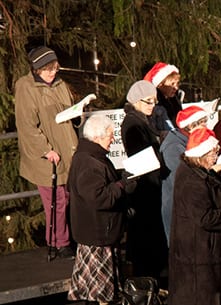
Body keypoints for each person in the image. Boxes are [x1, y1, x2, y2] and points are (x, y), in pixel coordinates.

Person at [14, 46, 78, 259]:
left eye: (54, 68)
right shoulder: (26, 87)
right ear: (36, 69)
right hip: (47, 155)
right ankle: (59, 242)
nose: (52, 73)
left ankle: (68, 236)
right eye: (47, 69)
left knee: (68, 197)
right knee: (56, 201)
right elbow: (27, 126)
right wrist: (46, 150)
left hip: (67, 149)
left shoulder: (60, 84)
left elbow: (66, 112)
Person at [67, 115, 136, 305]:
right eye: (109, 135)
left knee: (96, 292)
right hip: (98, 235)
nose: (112, 139)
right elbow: (99, 198)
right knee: (102, 294)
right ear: (96, 137)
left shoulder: (88, 157)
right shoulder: (90, 164)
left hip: (96, 233)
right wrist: (121, 186)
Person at [168, 127, 221, 305]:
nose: (217, 154)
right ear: (202, 154)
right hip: (200, 256)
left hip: (201, 252)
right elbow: (204, 218)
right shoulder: (193, 182)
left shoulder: (194, 172)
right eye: (214, 151)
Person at [120, 80, 167, 278]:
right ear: (136, 101)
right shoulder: (132, 122)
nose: (152, 106)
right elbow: (141, 154)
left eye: (154, 102)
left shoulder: (143, 119)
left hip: (151, 183)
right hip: (145, 185)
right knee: (145, 237)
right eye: (148, 102)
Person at [159, 106, 209, 245]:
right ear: (192, 125)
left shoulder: (186, 141)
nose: (206, 125)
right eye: (203, 122)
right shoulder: (173, 147)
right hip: (178, 208)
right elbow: (182, 178)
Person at [144, 61, 183, 133]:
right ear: (160, 85)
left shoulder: (174, 100)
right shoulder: (156, 106)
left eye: (177, 83)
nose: (176, 87)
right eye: (172, 84)